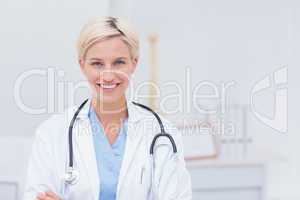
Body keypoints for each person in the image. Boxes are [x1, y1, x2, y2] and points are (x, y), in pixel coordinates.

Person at [23, 16, 192, 200]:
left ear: (134, 63)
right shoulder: (52, 133)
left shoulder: (163, 134)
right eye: (97, 64)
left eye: (119, 62)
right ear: (82, 65)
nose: (109, 75)